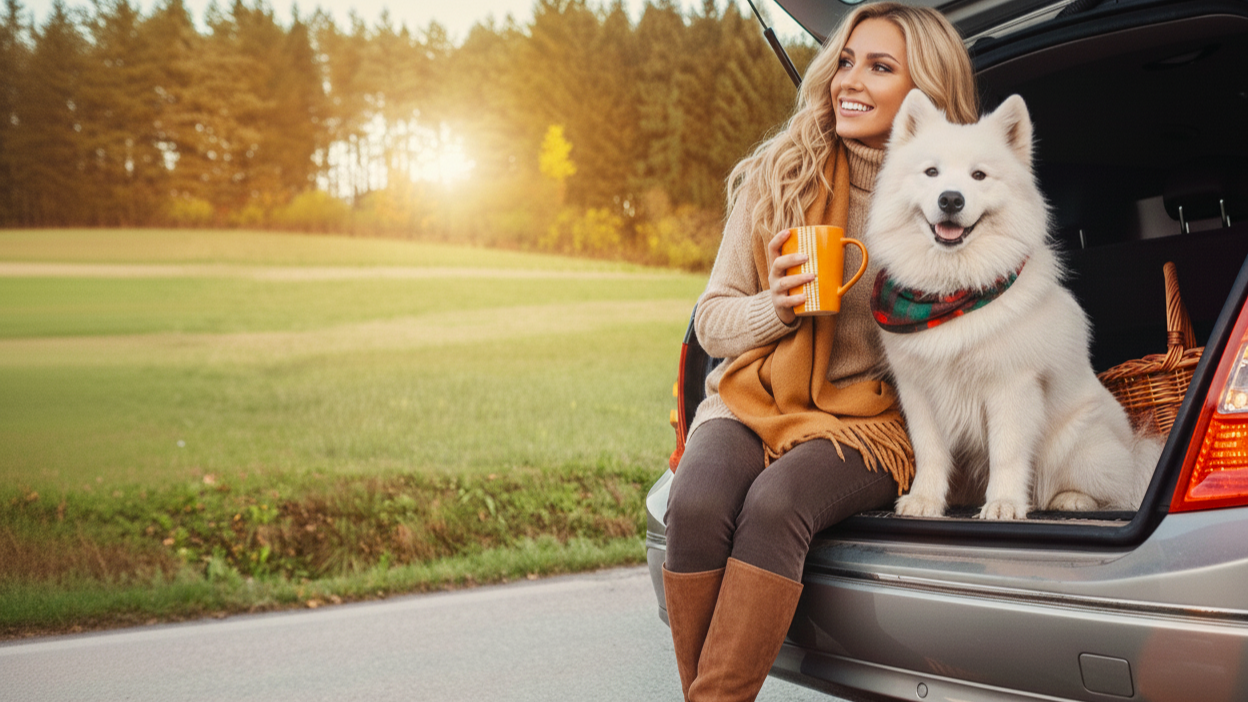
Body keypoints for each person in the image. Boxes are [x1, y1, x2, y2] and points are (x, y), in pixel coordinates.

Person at [662, 4, 979, 700]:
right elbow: (712, 319)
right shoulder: (779, 173)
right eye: (845, 60)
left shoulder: (953, 198)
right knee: (696, 504)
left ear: (925, 91)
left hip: (874, 417)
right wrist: (777, 307)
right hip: (756, 396)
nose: (849, 80)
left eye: (880, 66)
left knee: (776, 506)